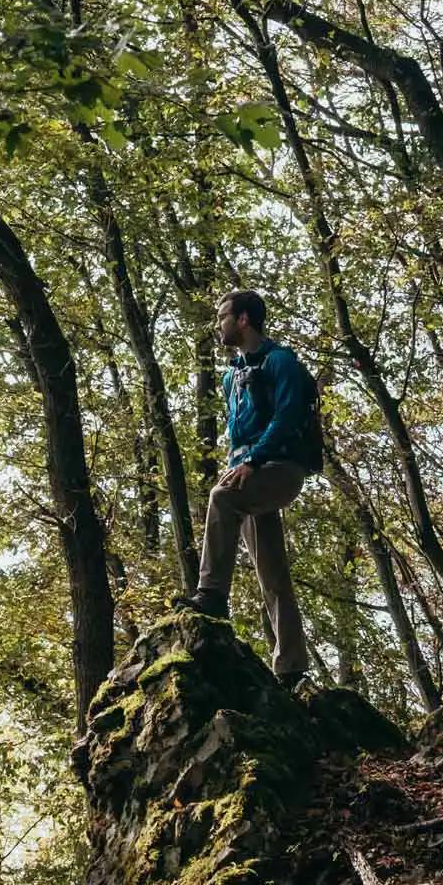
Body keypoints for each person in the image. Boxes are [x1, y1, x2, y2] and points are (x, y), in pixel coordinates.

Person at [176, 289, 320, 691]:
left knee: (221, 498)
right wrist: (239, 464)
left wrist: (253, 461)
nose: (218, 323)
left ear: (243, 320)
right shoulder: (231, 376)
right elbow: (236, 433)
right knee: (272, 572)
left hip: (280, 468)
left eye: (223, 315)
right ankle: (291, 666)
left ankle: (211, 595)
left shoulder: (281, 362)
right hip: (249, 471)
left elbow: (289, 416)